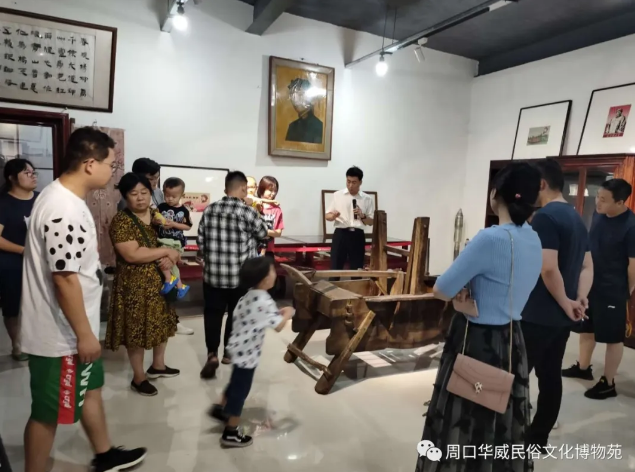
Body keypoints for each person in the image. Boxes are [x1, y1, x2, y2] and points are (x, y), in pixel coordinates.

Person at [20, 128, 146, 472]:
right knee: (47, 413)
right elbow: (64, 278)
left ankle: (104, 454)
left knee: (90, 389)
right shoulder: (64, 209)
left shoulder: (63, 198)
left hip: (73, 328)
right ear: (90, 164)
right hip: (60, 336)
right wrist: (85, 335)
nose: (113, 171)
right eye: (111, 164)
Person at [416, 162, 542, 472]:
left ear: (495, 194)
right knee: (499, 419)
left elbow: (442, 288)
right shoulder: (533, 238)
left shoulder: (490, 238)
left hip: (477, 340)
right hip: (512, 339)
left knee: (465, 417)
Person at [520, 158, 591, 449]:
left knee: (516, 376)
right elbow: (587, 265)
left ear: (541, 184)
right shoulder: (575, 216)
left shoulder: (546, 217)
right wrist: (580, 297)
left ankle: (506, 433)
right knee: (550, 376)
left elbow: (547, 268)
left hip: (538, 314)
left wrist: (565, 302)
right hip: (561, 318)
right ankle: (538, 438)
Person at [105, 173, 181, 397]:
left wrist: (171, 256)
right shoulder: (122, 221)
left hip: (162, 281)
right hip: (134, 286)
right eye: (134, 193)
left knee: (162, 323)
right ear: (125, 196)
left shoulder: (157, 215)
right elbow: (133, 254)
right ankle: (139, 378)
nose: (140, 198)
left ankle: (158, 365)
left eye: (144, 192)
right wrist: (165, 251)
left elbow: (173, 244)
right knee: (136, 331)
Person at [208, 256, 294, 447]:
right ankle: (231, 432)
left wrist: (275, 314)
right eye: (272, 270)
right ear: (265, 279)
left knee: (235, 382)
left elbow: (254, 316)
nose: (275, 274)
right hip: (248, 356)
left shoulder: (247, 295)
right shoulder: (265, 300)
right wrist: (288, 312)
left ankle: (220, 408)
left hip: (237, 348)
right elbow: (278, 326)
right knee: (240, 392)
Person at [563, 178, 635, 399]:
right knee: (586, 328)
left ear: (620, 202)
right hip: (591, 284)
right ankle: (583, 368)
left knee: (613, 337)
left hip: (613, 288)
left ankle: (608, 382)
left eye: (604, 199)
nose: (598, 202)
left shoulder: (631, 226)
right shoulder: (599, 215)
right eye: (598, 197)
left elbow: (633, 266)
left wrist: (626, 291)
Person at [197, 171, 268, 379]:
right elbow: (263, 233)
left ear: (225, 189)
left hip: (213, 276)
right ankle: (228, 353)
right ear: (244, 188)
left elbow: (201, 242)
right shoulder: (248, 212)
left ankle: (212, 354)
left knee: (213, 314)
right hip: (240, 277)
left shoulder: (210, 210)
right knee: (235, 314)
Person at [118, 158, 193, 335]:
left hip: (163, 244)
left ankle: (172, 321)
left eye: (156, 178)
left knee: (169, 283)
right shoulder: (126, 203)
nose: (154, 183)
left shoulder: (158, 193)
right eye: (150, 178)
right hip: (145, 252)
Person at [0, 158, 38, 361]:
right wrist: (23, 250)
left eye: (33, 172)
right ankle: (17, 344)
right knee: (13, 305)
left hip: (39, 261)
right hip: (11, 263)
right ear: (12, 178)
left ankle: (37, 342)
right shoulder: (4, 204)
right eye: (27, 173)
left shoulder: (42, 199)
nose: (33, 176)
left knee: (39, 303)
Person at [325, 166, 374, 271]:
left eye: (354, 182)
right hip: (341, 234)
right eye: (348, 182)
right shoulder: (337, 195)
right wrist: (333, 216)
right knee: (335, 268)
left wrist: (362, 215)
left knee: (357, 269)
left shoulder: (367, 199)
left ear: (360, 182)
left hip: (357, 236)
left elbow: (371, 222)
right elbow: (327, 216)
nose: (350, 185)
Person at [155, 177, 192, 299]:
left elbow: (188, 226)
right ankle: (180, 286)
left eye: (174, 196)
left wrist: (174, 224)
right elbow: (154, 219)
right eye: (167, 195)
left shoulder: (184, 210)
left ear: (182, 195)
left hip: (175, 241)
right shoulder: (161, 207)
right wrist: (156, 221)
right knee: (171, 265)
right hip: (162, 239)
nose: (170, 199)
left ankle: (168, 278)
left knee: (161, 257)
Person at [285, 78, 324, 144]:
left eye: (300, 95)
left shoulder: (319, 126)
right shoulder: (292, 126)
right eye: (293, 96)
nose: (295, 100)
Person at [257, 176, 284, 256]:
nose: (273, 193)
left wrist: (264, 231)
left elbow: (278, 233)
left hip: (268, 251)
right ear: (261, 189)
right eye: (270, 190)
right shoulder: (254, 205)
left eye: (275, 191)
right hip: (251, 249)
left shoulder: (277, 209)